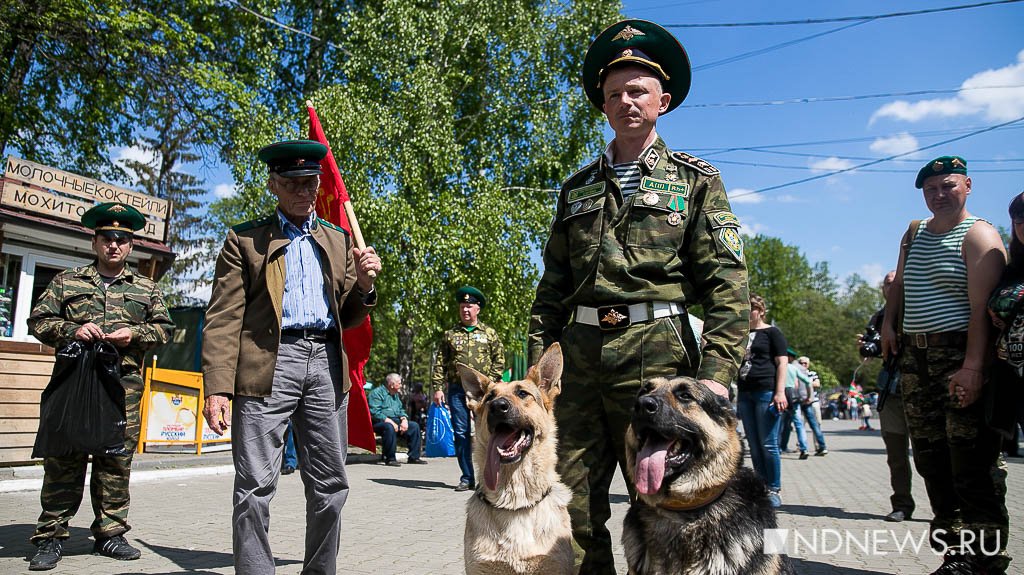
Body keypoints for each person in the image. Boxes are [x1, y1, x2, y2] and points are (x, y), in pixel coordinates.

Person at [527, 20, 748, 571]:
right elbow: (552, 286)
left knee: (666, 502)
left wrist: (716, 375)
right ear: (602, 105)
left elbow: (728, 283)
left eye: (638, 91)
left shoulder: (698, 182)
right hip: (578, 359)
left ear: (663, 101)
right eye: (614, 94)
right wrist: (537, 373)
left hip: (659, 356)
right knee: (568, 496)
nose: (626, 101)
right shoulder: (577, 188)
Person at [201, 139, 381, 575]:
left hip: (325, 364)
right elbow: (224, 317)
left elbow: (350, 316)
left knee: (331, 486)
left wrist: (364, 286)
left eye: (311, 183)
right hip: (267, 365)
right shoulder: (246, 240)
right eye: (294, 183)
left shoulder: (337, 241)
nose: (305, 192)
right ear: (274, 185)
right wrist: (218, 388)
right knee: (254, 486)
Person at [26, 202, 174, 570]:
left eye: (122, 239)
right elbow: (38, 321)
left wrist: (134, 333)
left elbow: (165, 329)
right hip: (75, 385)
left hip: (122, 390)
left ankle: (110, 534)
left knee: (115, 462)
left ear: (130, 245)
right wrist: (71, 329)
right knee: (64, 459)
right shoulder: (67, 281)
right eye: (107, 238)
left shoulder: (146, 288)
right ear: (94, 242)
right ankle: (50, 537)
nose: (114, 245)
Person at [881, 156, 1009, 574]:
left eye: (948, 186)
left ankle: (986, 561)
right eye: (931, 189)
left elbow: (981, 311)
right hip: (916, 361)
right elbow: (899, 284)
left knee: (970, 463)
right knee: (932, 462)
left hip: (959, 357)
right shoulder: (914, 232)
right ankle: (954, 555)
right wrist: (888, 324)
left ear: (968, 185)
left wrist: (973, 367)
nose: (939, 195)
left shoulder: (979, 236)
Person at [430, 285, 504, 492]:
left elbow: (499, 359)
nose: (465, 310)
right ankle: (467, 477)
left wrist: (492, 382)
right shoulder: (450, 335)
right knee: (461, 433)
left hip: (485, 393)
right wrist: (438, 387)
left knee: (487, 431)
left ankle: (487, 477)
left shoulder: (489, 334)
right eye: (463, 306)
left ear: (478, 309)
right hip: (457, 390)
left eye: (469, 306)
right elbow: (440, 362)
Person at [864, 270, 916, 523]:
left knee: (930, 456)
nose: (892, 286)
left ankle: (947, 510)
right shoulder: (880, 317)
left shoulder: (920, 308)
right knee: (896, 455)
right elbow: (872, 348)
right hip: (891, 392)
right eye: (887, 283)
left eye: (897, 282)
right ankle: (902, 504)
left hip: (921, 389)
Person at [735, 295, 787, 508]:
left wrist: (780, 392)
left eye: (752, 309)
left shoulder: (772, 333)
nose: (749, 313)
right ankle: (761, 487)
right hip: (745, 393)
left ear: (761, 311)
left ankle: (774, 489)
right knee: (754, 446)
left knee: (768, 444)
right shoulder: (740, 334)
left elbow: (782, 363)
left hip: (766, 392)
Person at [368, 373, 426, 466]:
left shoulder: (395, 395)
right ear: (391, 384)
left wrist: (404, 420)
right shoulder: (376, 393)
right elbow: (374, 412)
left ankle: (414, 457)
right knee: (389, 427)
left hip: (395, 420)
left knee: (414, 426)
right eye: (399, 383)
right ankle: (389, 458)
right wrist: (390, 422)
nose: (401, 385)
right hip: (379, 422)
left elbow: (400, 410)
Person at [780, 348, 810, 458]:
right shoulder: (793, 368)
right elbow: (808, 381)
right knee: (799, 425)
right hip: (793, 398)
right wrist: (809, 396)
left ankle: (777, 447)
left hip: (782, 396)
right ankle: (804, 448)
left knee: (779, 424)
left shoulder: (779, 368)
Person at [796, 356, 828, 455]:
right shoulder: (796, 372)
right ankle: (801, 446)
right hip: (800, 403)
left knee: (816, 424)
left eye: (805, 363)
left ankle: (819, 447)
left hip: (813, 403)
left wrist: (804, 381)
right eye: (801, 363)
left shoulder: (812, 373)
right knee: (800, 425)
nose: (803, 365)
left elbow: (817, 384)